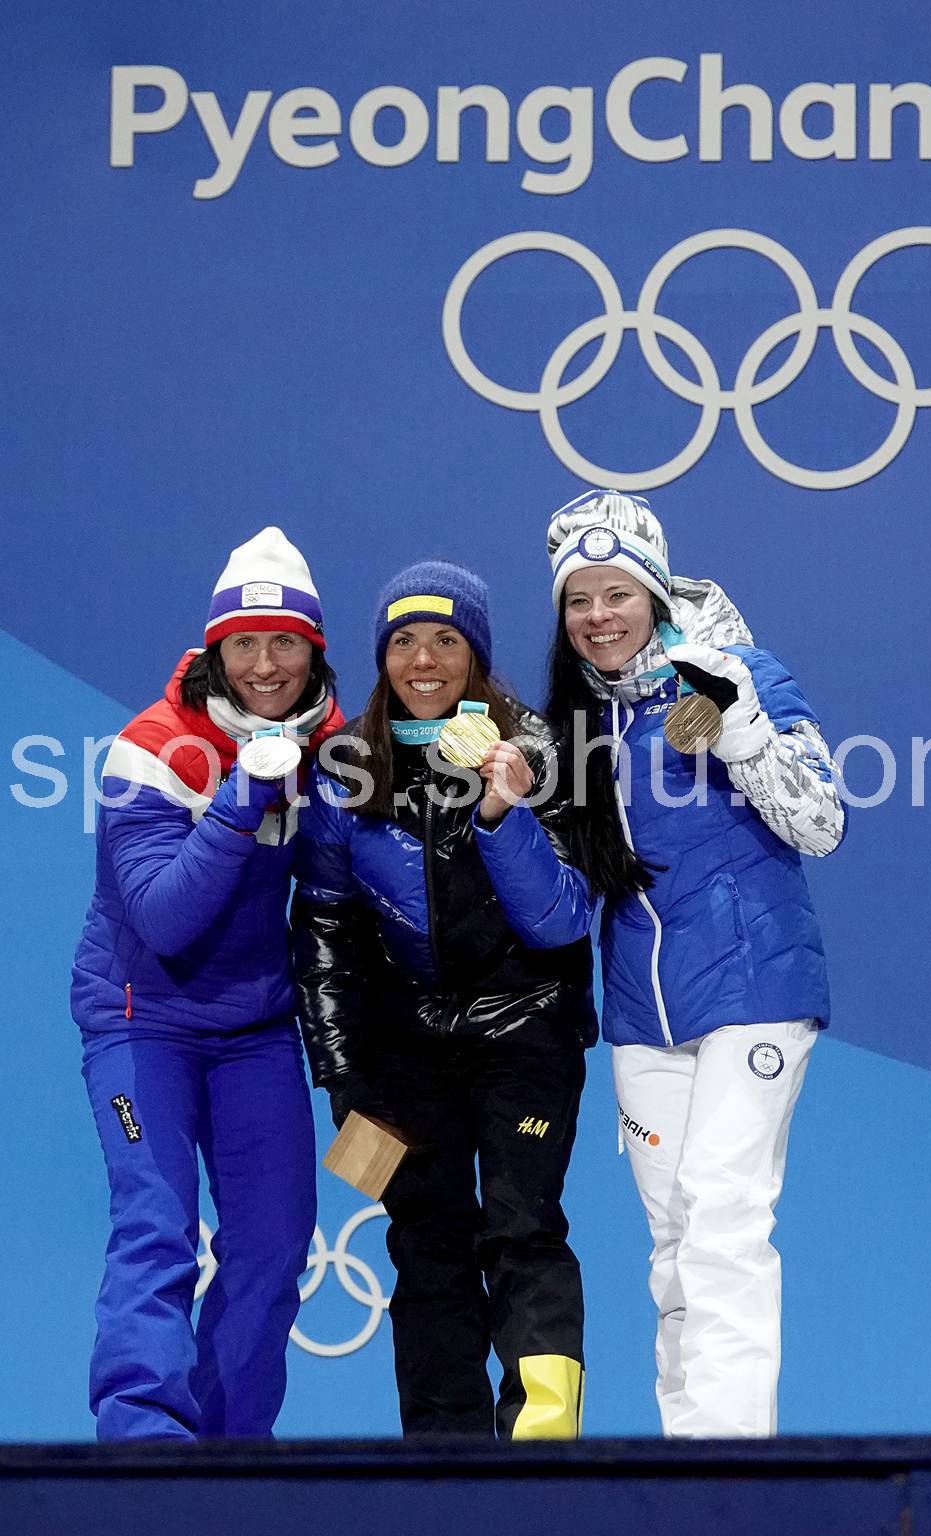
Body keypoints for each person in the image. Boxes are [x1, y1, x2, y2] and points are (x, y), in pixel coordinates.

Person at [544, 489, 846, 1439]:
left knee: (722, 1222)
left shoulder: (740, 675)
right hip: (643, 1015)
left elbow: (824, 823)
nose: (599, 616)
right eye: (578, 600)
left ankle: (734, 1475)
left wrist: (743, 728)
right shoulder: (576, 724)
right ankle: (690, 1467)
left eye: (617, 594)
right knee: (674, 1246)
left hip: (755, 991)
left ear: (657, 592)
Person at [291, 560, 596, 1439]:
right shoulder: (348, 764)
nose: (424, 660)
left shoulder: (538, 749)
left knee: (522, 1230)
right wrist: (346, 1080)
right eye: (404, 642)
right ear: (382, 656)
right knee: (426, 1246)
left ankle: (542, 1449)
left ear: (478, 653)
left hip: (525, 1029)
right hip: (402, 1051)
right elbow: (323, 933)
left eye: (447, 640)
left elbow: (561, 922)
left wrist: (505, 816)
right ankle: (443, 1465)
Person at [71, 527, 343, 1440]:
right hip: (142, 1022)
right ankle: (144, 1450)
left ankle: (227, 1462)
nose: (266, 665)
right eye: (245, 644)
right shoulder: (150, 749)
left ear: (314, 648)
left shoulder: (334, 744)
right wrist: (242, 796)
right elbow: (164, 920)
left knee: (272, 1247)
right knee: (157, 1228)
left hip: (255, 1032)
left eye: (285, 643)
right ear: (215, 650)